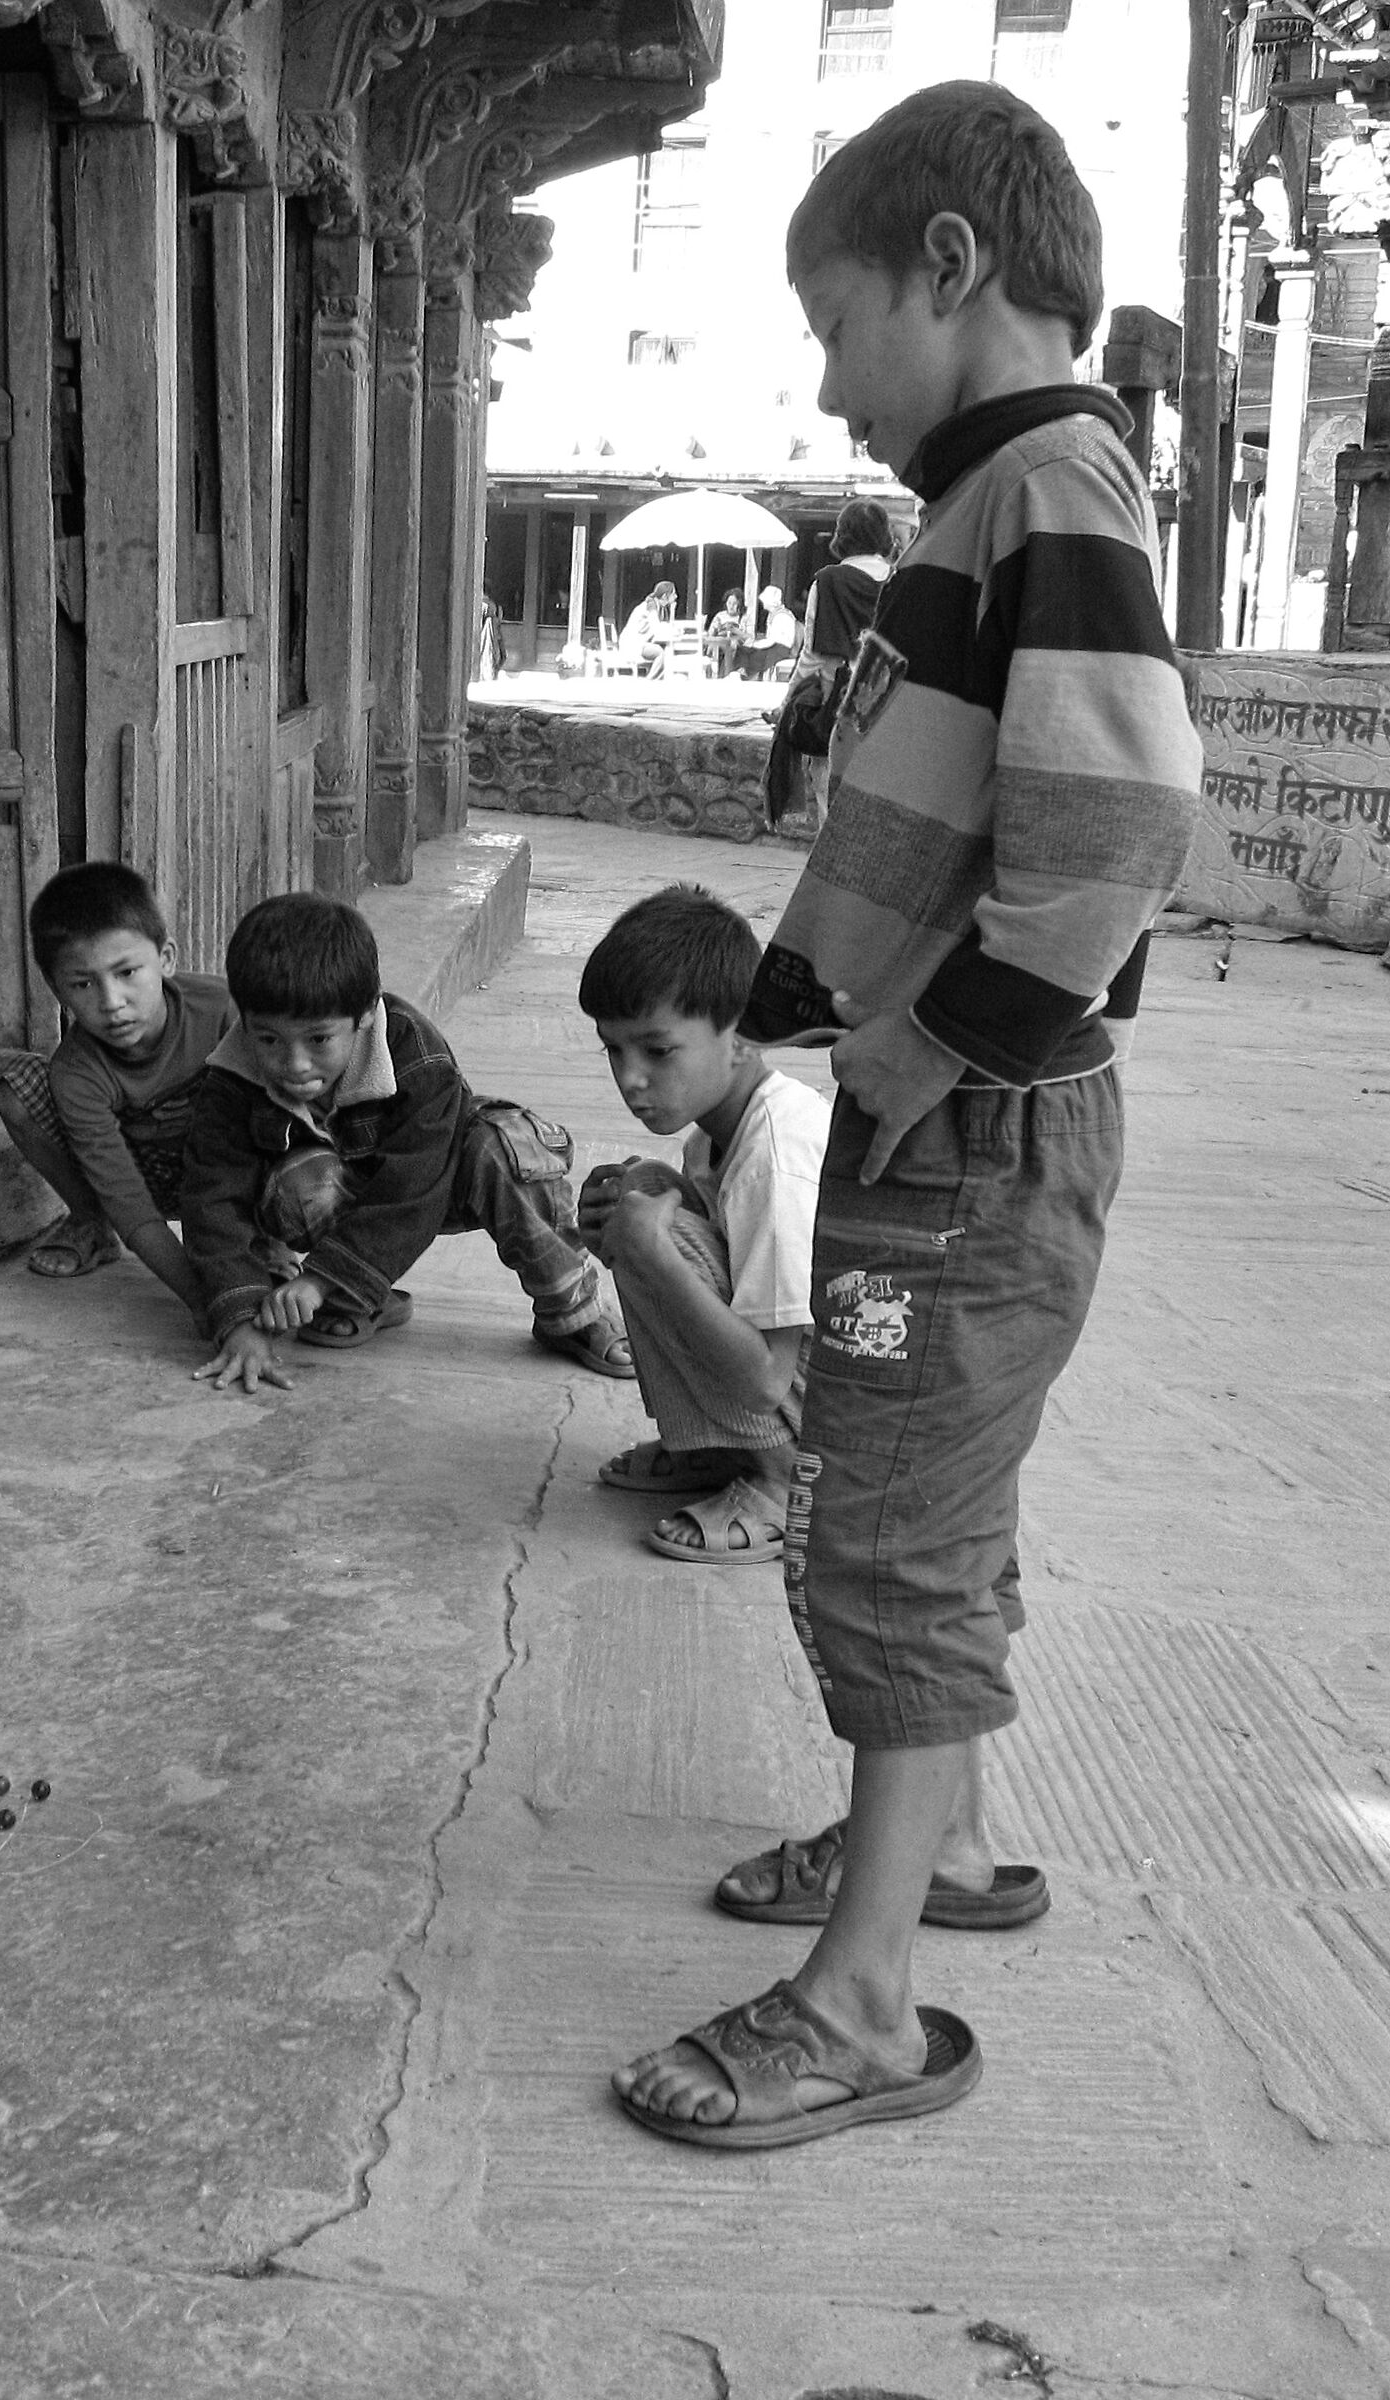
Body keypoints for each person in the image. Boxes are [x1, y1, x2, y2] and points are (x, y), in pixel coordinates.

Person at [613, 80, 1202, 2152]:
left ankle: (864, 2004)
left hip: (966, 1139)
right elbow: (942, 818)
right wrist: (800, 997)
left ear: (949, 267)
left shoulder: (1048, 485)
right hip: (935, 1125)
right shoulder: (1001, 496)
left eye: (836, 316)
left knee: (888, 1542)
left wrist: (918, 1055)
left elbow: (1115, 831)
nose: (828, 374)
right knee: (932, 1502)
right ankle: (934, 1854)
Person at [180, 892, 635, 1395]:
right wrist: (239, 1320)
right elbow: (212, 1200)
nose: (294, 1064)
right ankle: (358, 1297)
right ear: (244, 1021)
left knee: (505, 1149)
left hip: (440, 1177)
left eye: (318, 1040)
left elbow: (412, 1189)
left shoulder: (417, 1054)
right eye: (268, 1040)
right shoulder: (230, 1076)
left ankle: (572, 1312)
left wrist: (318, 1278)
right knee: (299, 1183)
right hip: (345, 1190)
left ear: (365, 1018)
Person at [576, 886, 830, 1566]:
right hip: (795, 1383)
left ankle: (780, 1481)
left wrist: (651, 1253)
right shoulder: (713, 1138)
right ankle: (716, 1451)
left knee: (656, 1230)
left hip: (838, 1416)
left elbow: (764, 1382)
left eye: (658, 1051)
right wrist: (623, 1225)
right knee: (642, 1194)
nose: (630, 1079)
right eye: (614, 1050)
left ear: (741, 1035)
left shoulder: (774, 1155)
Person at [0, 862, 228, 1318]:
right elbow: (129, 1200)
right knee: (17, 1089)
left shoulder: (223, 1013)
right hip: (133, 1171)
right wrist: (202, 1300)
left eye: (127, 973)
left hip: (224, 1169)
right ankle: (92, 1224)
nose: (111, 1002)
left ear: (166, 959)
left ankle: (266, 1242)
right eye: (83, 983)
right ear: (55, 988)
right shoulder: (77, 1073)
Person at [771, 499, 901, 830]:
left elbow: (813, 654)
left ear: (842, 535)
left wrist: (787, 702)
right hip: (890, 694)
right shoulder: (898, 579)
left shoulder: (827, 581)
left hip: (838, 696)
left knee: (828, 778)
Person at [618, 579, 677, 670]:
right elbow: (656, 628)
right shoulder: (650, 606)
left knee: (664, 652)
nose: (676, 596)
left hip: (640, 643)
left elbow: (664, 625)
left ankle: (656, 679)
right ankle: (652, 680)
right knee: (661, 653)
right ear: (665, 596)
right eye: (673, 593)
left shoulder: (658, 606)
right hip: (633, 645)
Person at [706, 587, 748, 676]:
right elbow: (710, 634)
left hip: (736, 645)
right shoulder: (720, 616)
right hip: (720, 641)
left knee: (733, 645)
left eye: (734, 603)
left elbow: (748, 636)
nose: (731, 606)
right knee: (712, 646)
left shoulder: (744, 618)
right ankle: (712, 673)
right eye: (729, 603)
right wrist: (717, 628)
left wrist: (734, 630)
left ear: (740, 604)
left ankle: (728, 673)